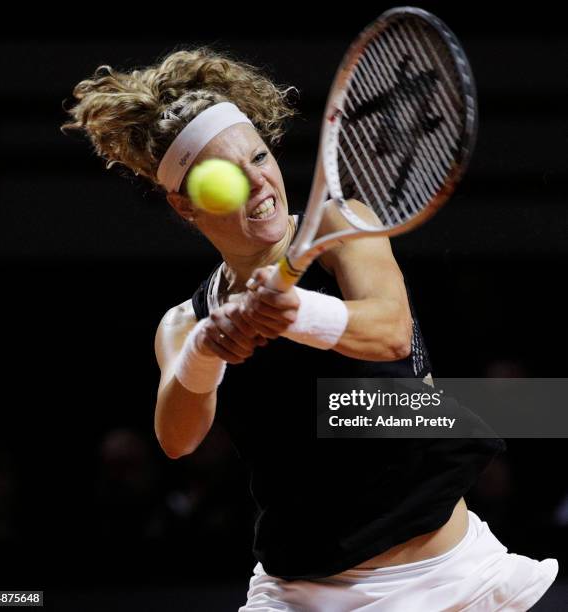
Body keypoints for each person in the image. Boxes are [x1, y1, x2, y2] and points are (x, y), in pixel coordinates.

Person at [63, 47, 558, 611]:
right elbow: (178, 439)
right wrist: (208, 349)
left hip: (451, 580)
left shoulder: (342, 227)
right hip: (301, 595)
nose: (257, 182)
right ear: (185, 206)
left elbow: (390, 330)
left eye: (260, 157)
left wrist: (294, 313)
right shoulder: (185, 321)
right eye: (227, 175)